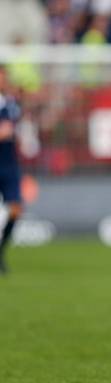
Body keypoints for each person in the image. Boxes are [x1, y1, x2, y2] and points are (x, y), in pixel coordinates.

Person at [0, 66, 23, 275]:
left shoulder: (11, 104)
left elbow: (13, 130)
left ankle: (1, 253)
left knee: (15, 209)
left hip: (8, 165)